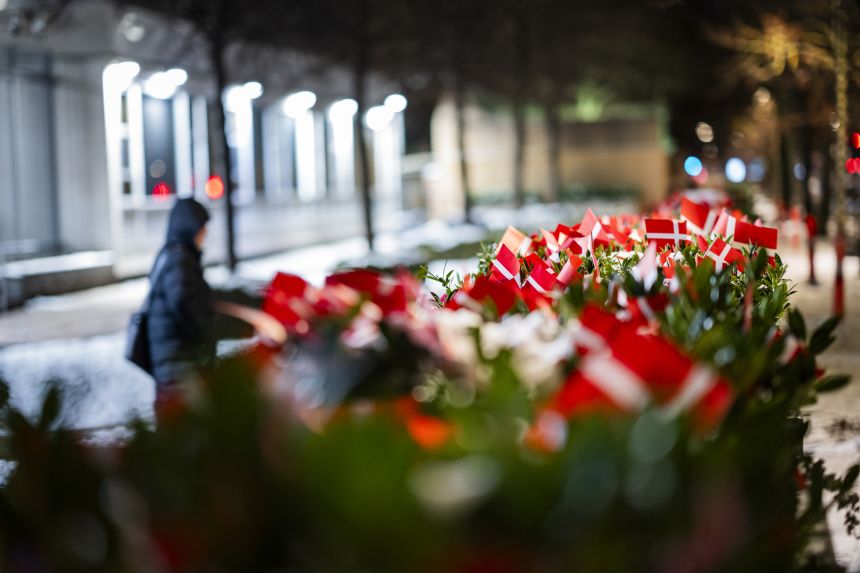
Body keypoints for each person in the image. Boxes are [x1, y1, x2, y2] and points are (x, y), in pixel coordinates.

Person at [147, 198, 216, 410]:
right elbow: (185, 304)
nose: (203, 235)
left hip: (172, 364)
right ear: (188, 226)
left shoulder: (170, 254)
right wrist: (210, 329)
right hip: (180, 365)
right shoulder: (179, 259)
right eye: (201, 228)